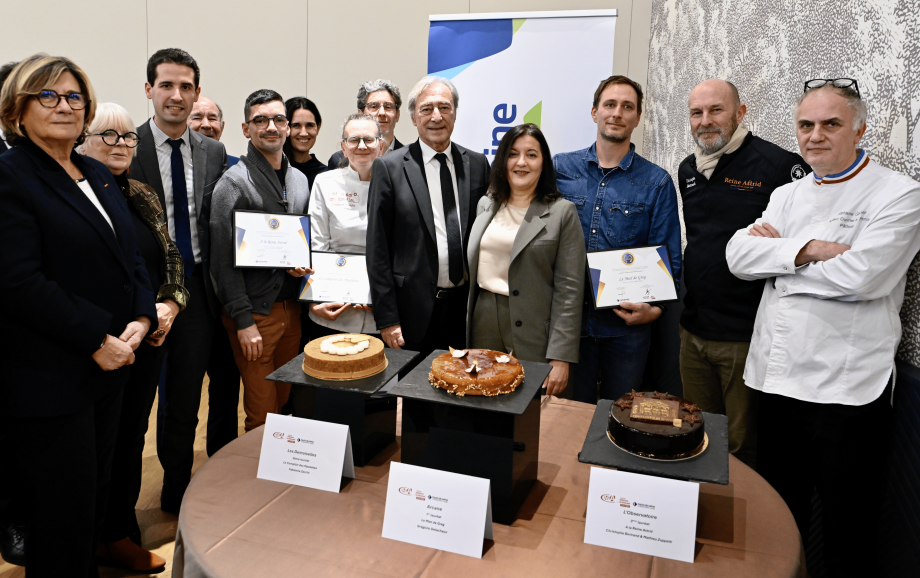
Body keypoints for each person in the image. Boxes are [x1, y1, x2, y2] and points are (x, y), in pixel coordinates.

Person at [726, 79, 920, 578]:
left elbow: (864, 276)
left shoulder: (899, 194)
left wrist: (781, 265)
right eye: (805, 125)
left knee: (846, 533)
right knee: (776, 517)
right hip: (776, 382)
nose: (815, 135)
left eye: (831, 124)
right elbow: (738, 257)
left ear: (859, 129)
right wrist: (808, 250)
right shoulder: (787, 194)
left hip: (847, 391)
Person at [0, 53, 156, 577]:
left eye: (74, 96)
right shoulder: (10, 175)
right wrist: (97, 337)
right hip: (52, 375)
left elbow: (130, 253)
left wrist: (140, 316)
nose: (64, 106)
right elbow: (18, 282)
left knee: (93, 497)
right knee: (59, 516)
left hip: (111, 365)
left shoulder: (94, 170)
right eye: (48, 96)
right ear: (17, 110)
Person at [78, 102, 188, 572]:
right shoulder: (74, 192)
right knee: (92, 446)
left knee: (130, 437)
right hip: (94, 346)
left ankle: (117, 531)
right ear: (84, 140)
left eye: (128, 137)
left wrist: (168, 304)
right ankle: (90, 535)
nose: (121, 144)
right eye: (109, 135)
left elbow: (170, 254)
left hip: (147, 338)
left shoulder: (141, 192)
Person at [677, 79, 809, 469]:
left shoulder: (779, 166)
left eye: (716, 110)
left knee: (741, 448)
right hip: (693, 331)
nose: (705, 121)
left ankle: (738, 527)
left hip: (745, 337)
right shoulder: (689, 169)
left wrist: (782, 241)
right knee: (693, 433)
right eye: (696, 113)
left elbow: (801, 241)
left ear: (740, 112)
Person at [128, 48, 238, 513]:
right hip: (139, 298)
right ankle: (120, 513)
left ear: (196, 92)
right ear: (149, 89)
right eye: (167, 85)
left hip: (196, 294)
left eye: (186, 87)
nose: (177, 96)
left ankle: (177, 489)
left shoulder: (214, 153)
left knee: (185, 402)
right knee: (134, 411)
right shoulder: (125, 147)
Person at [553, 75, 682, 403]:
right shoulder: (560, 169)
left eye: (628, 107)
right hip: (567, 326)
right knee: (566, 418)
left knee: (618, 418)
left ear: (637, 118)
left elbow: (669, 257)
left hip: (626, 329)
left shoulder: (657, 182)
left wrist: (655, 311)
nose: (617, 113)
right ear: (594, 112)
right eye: (609, 104)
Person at [366, 76, 491, 355]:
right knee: (415, 395)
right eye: (426, 109)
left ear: (455, 113)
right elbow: (377, 249)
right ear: (412, 117)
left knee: (462, 392)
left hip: (466, 310)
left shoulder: (478, 165)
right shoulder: (389, 168)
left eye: (444, 108)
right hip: (413, 313)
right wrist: (387, 318)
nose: (436, 116)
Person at [210, 89, 311, 431]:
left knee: (284, 401)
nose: (271, 126)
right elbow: (222, 261)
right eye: (260, 120)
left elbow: (296, 241)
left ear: (287, 126)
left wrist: (300, 262)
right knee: (261, 413)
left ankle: (280, 479)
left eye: (278, 119)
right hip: (254, 314)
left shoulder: (298, 181)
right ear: (245, 128)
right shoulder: (233, 184)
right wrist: (243, 320)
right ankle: (255, 483)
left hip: (290, 310)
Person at [466, 124, 585, 396]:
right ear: (502, 161)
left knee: (526, 415)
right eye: (513, 154)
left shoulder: (562, 213)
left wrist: (561, 356)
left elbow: (570, 291)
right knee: (481, 405)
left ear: (544, 164)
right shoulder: (486, 205)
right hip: (483, 321)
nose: (521, 162)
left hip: (534, 331)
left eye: (531, 155)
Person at [309, 114, 382, 334]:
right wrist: (315, 298)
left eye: (369, 139)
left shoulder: (397, 184)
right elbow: (317, 244)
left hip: (380, 310)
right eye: (353, 140)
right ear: (343, 146)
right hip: (333, 307)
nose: (361, 146)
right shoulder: (325, 182)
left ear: (381, 145)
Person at [327, 79, 404, 170]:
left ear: (398, 115)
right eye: (374, 106)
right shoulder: (338, 160)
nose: (382, 113)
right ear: (361, 114)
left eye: (388, 107)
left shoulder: (411, 158)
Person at [284, 96, 328, 191]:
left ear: (318, 128)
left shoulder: (325, 175)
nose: (304, 133)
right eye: (296, 125)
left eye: (310, 125)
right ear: (285, 128)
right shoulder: (275, 169)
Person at [188, 95, 239, 166]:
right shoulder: (171, 164)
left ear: (222, 128)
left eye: (212, 119)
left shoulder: (239, 168)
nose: (206, 125)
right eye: (197, 118)